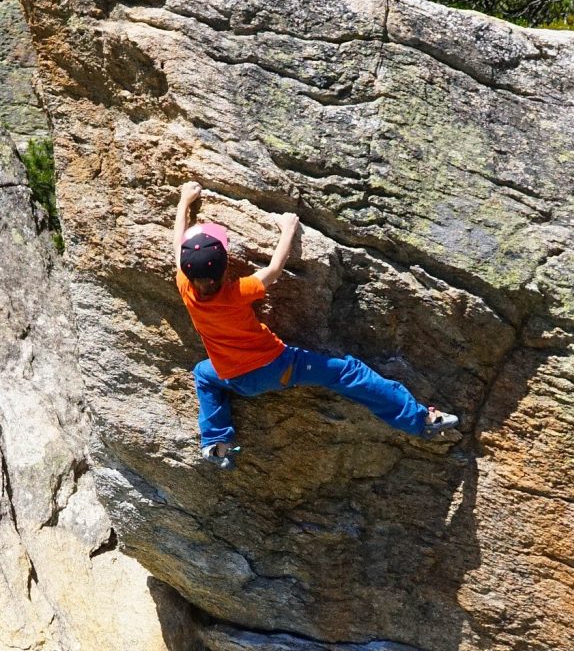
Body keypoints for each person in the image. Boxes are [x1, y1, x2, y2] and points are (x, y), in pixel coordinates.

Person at [172, 181, 460, 469]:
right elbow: (273, 270)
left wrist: (184, 201)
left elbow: (178, 246)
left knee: (203, 375)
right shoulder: (238, 292)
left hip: (236, 380)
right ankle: (420, 419)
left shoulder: (185, 287)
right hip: (279, 368)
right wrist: (288, 229)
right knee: (349, 372)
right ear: (224, 266)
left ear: (187, 269)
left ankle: (215, 442)